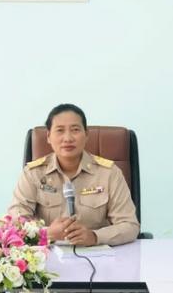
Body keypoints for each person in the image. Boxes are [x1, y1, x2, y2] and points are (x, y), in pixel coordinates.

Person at [8, 104, 140, 246]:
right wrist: (46, 233)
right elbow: (15, 224)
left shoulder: (109, 173)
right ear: (48, 136)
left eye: (75, 130)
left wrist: (94, 237)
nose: (68, 138)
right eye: (60, 130)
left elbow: (130, 225)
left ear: (86, 135)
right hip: (48, 255)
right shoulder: (33, 173)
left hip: (97, 254)